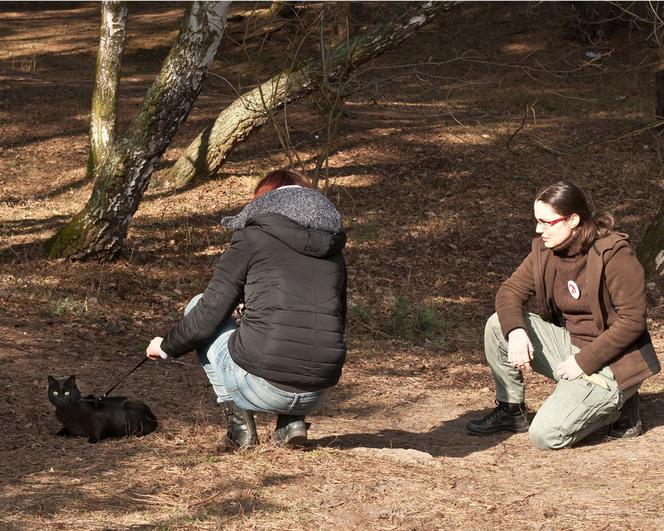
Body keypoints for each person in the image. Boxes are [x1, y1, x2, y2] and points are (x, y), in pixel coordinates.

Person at [146, 169, 347, 448]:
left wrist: (165, 346)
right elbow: (334, 320)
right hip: (318, 390)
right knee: (304, 328)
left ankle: (241, 431)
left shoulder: (252, 238)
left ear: (264, 202)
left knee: (196, 304)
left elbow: (208, 313)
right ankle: (292, 423)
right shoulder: (332, 249)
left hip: (262, 389)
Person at [466, 181, 660, 449]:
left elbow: (632, 322)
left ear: (573, 220)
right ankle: (512, 410)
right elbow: (510, 291)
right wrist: (517, 331)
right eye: (537, 221)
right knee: (500, 324)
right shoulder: (545, 251)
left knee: (546, 436)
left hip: (611, 363)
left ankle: (620, 406)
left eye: (546, 222)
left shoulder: (615, 254)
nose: (538, 229)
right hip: (569, 348)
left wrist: (583, 362)